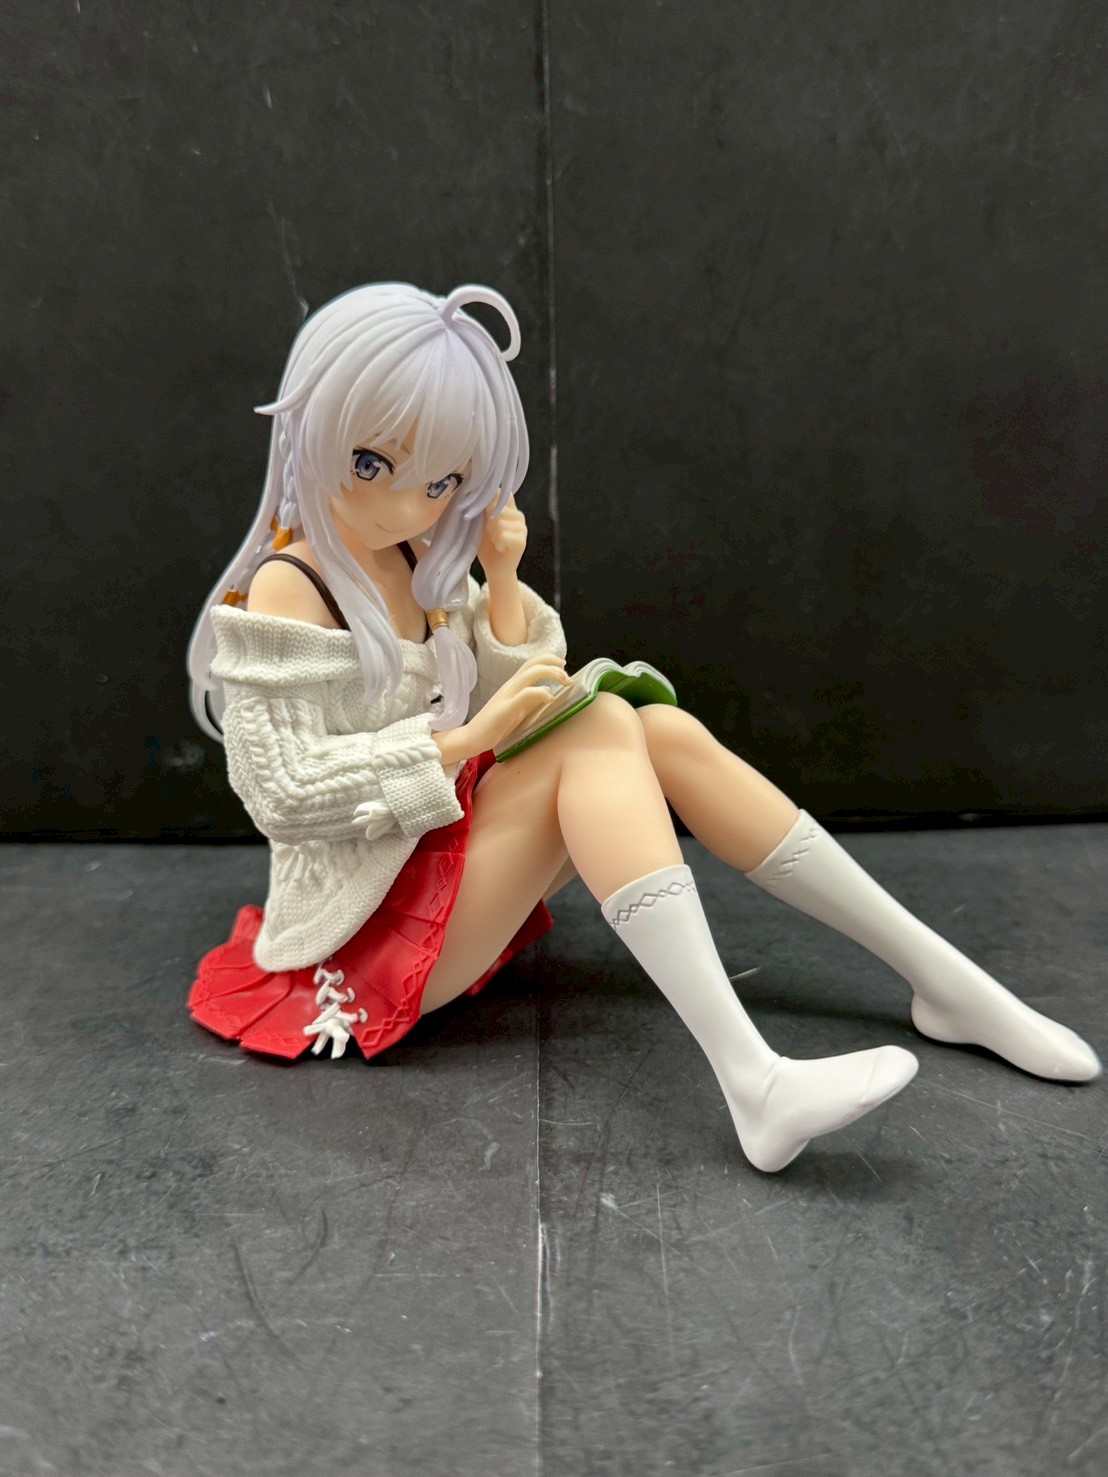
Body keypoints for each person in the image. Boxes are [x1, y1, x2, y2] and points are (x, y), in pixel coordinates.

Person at [185, 281, 1099, 1176]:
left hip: (439, 858)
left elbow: (510, 688)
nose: (403, 501)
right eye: (371, 463)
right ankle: (754, 1080)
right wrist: (461, 743)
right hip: (368, 934)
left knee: (649, 726)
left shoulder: (418, 557)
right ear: (313, 425)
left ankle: (943, 979)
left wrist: (501, 579)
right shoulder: (289, 585)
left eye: (441, 482)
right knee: (599, 731)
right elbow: (282, 792)